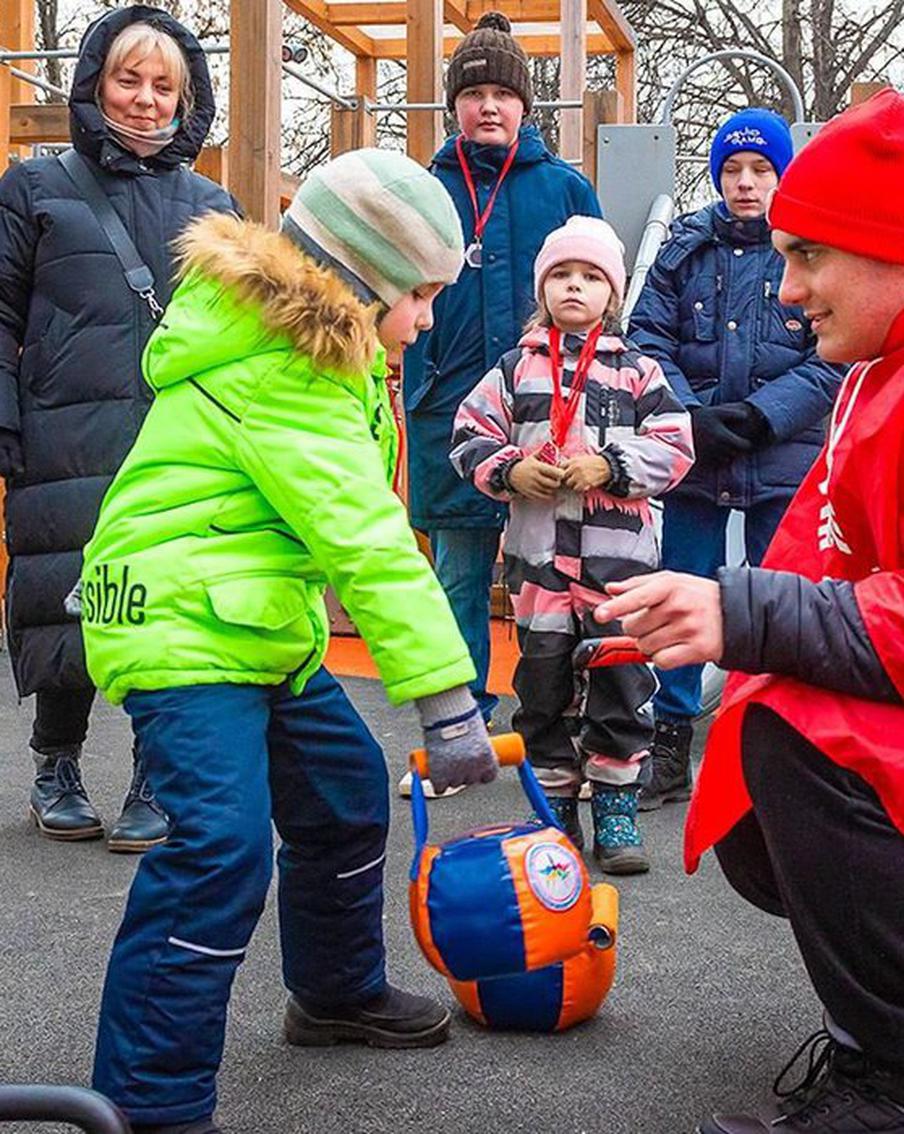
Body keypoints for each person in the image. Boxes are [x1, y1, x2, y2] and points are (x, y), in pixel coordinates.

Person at [80, 148, 496, 1134]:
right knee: (221, 852)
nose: (428, 318)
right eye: (421, 295)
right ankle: (145, 1104)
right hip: (186, 626)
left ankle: (333, 993)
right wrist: (447, 702)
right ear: (361, 280)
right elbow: (365, 540)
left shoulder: (312, 356)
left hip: (250, 622)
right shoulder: (288, 369)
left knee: (346, 798)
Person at [597, 88, 904, 1133]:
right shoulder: (873, 374)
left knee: (795, 732)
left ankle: (888, 1081)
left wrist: (738, 611)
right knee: (764, 721)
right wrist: (716, 617)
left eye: (807, 256)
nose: (784, 291)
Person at [0, 5, 236, 850]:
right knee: (65, 593)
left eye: (161, 85)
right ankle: (54, 763)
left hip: (174, 437)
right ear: (96, 82)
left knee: (164, 606)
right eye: (127, 80)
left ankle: (153, 774)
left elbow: (240, 326)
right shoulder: (35, 186)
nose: (142, 99)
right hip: (62, 427)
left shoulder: (214, 204)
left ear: (186, 100)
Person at [451, 217, 693, 873]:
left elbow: (676, 447)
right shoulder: (512, 370)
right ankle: (553, 807)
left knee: (622, 692)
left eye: (589, 277)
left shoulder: (638, 372)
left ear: (611, 294)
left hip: (618, 576)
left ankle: (615, 805)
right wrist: (508, 469)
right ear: (543, 287)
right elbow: (468, 436)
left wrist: (612, 466)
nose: (575, 287)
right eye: (562, 275)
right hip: (538, 575)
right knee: (541, 693)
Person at [401, 11, 602, 796]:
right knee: (454, 577)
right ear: (454, 105)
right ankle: (460, 730)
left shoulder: (563, 188)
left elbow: (600, 296)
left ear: (527, 106)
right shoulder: (425, 186)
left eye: (502, 94)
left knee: (552, 580)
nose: (489, 106)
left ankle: (552, 733)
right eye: (474, 92)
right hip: (449, 411)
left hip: (553, 417)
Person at [628, 108, 843, 811]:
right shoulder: (684, 250)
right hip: (696, 458)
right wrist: (691, 415)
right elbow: (647, 338)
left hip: (782, 461)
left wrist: (760, 416)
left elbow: (831, 360)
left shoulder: (810, 253)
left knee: (782, 600)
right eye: (732, 170)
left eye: (761, 171)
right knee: (681, 587)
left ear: (783, 176)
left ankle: (769, 740)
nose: (746, 184)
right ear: (716, 175)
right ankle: (669, 740)